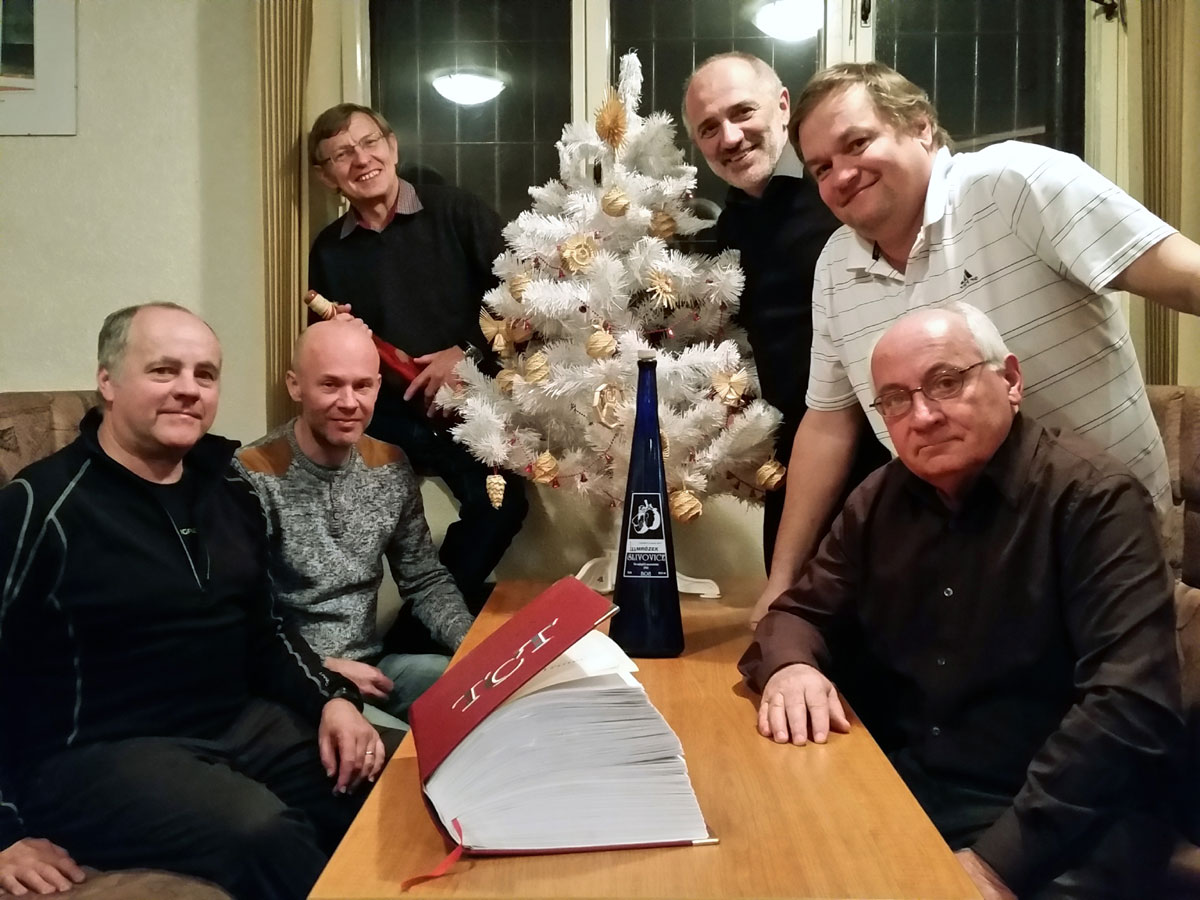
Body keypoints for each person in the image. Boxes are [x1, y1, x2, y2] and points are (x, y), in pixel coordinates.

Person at [740, 303, 1183, 900]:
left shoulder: (1095, 499)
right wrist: (792, 666)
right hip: (913, 787)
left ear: (1011, 380)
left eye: (946, 382)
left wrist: (997, 864)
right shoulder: (879, 500)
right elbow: (797, 613)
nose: (922, 416)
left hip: (1064, 818)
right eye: (895, 400)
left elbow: (1131, 706)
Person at [753, 60, 1200, 626]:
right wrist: (782, 583)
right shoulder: (835, 267)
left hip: (1104, 544)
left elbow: (1186, 276)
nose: (841, 175)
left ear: (920, 126)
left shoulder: (1016, 182)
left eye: (857, 143)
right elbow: (827, 425)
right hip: (960, 557)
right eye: (821, 167)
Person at [0, 303, 383, 900]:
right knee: (262, 833)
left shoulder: (231, 490)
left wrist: (333, 699)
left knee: (390, 774)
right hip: (95, 753)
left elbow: (266, 630)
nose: (188, 389)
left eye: (205, 374)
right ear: (107, 382)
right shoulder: (41, 505)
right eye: (164, 370)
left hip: (235, 723)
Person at [306, 103, 527, 620]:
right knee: (352, 521)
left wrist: (465, 353)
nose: (362, 159)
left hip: (467, 404)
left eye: (369, 143)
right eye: (342, 154)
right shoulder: (328, 250)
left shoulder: (456, 211)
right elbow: (326, 346)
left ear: (392, 145)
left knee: (502, 506)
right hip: (383, 417)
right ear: (326, 176)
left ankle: (417, 629)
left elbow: (520, 298)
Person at [681, 53, 888, 574]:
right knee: (786, 605)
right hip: (796, 458)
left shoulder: (845, 193)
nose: (730, 138)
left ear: (782, 106)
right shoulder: (729, 228)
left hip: (886, 450)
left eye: (742, 112)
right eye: (709, 128)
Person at [238, 319, 474, 724]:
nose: (349, 402)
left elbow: (424, 580)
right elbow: (243, 617)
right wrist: (325, 668)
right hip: (296, 684)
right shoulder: (250, 473)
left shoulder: (390, 465)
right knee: (413, 747)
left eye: (362, 386)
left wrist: (472, 643)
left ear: (378, 387)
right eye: (330, 385)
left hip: (373, 667)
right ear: (295, 386)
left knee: (482, 689)